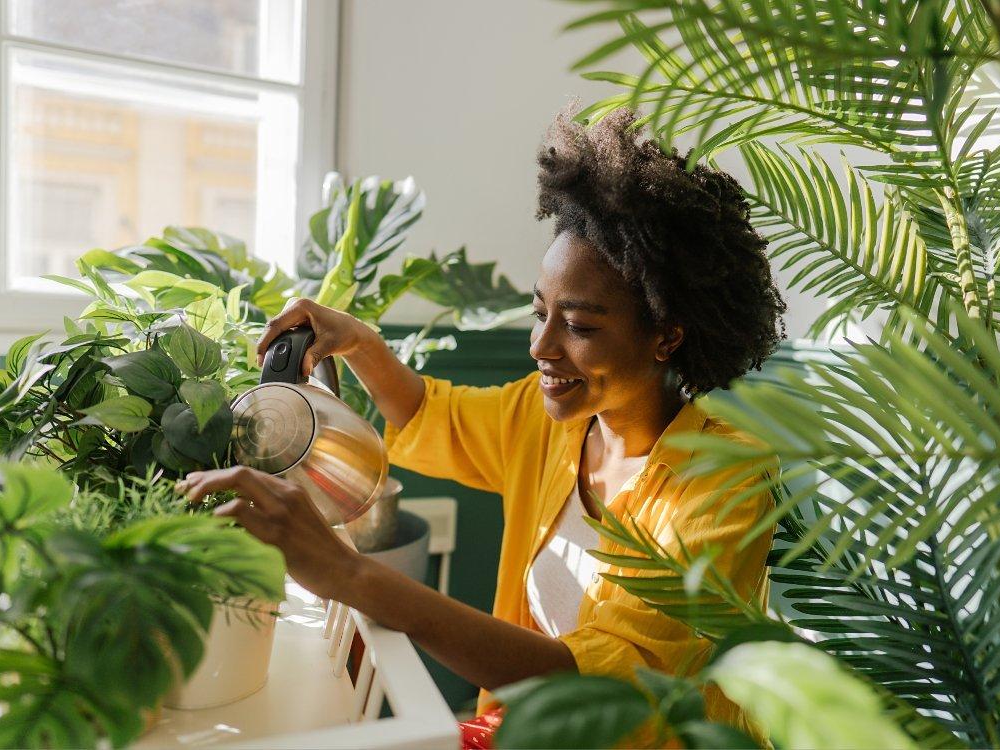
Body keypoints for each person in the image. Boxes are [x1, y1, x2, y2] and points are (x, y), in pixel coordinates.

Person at [176, 107, 786, 748]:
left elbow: (598, 691)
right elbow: (431, 415)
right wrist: (357, 340)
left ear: (667, 335)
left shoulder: (725, 482)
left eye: (577, 326)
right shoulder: (555, 422)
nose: (540, 346)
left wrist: (349, 574)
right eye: (539, 312)